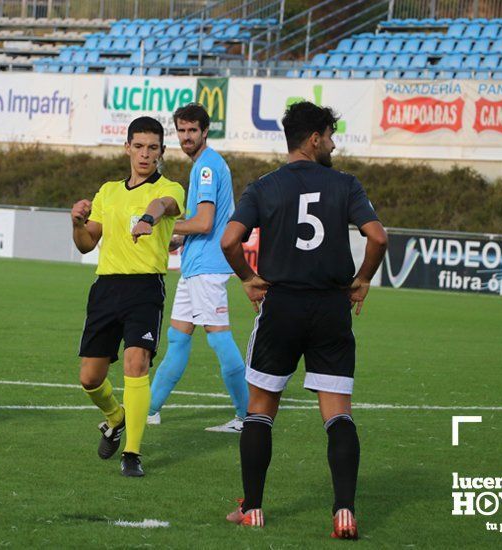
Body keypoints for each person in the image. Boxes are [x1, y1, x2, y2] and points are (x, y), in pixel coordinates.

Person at [220, 101, 387, 538]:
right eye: (330, 136)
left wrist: (248, 279)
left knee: (260, 411)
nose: (332, 144)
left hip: (282, 306)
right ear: (314, 138)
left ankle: (252, 508)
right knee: (338, 415)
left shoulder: (264, 186)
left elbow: (230, 239)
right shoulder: (345, 184)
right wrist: (363, 279)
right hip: (331, 308)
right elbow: (378, 236)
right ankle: (344, 512)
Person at [70, 116, 185, 477]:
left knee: (137, 364)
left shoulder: (172, 187)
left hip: (145, 288)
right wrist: (76, 222)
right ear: (127, 148)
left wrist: (149, 219)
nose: (145, 154)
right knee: (89, 378)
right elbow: (87, 244)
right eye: (138, 146)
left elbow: (164, 205)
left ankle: (132, 453)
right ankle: (115, 417)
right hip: (105, 288)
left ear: (162, 152)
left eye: (153, 148)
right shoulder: (108, 191)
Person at [147, 103, 248, 432]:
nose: (186, 137)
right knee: (177, 338)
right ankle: (149, 409)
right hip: (196, 265)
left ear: (205, 132)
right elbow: (205, 224)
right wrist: (178, 240)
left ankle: (248, 417)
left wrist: (166, 225)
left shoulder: (206, 167)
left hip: (207, 267)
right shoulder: (206, 165)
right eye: (182, 131)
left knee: (219, 339)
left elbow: (204, 224)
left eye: (193, 130)